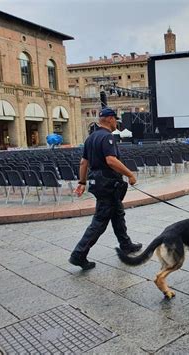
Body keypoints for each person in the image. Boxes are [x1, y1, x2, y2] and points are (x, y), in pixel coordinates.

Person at [69, 108, 142, 270]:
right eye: (115, 119)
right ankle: (78, 254)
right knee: (100, 221)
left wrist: (82, 182)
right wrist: (130, 174)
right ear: (109, 119)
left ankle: (126, 244)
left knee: (117, 213)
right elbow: (111, 160)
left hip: (97, 182)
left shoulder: (91, 138)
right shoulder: (107, 137)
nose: (116, 122)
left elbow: (83, 163)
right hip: (107, 183)